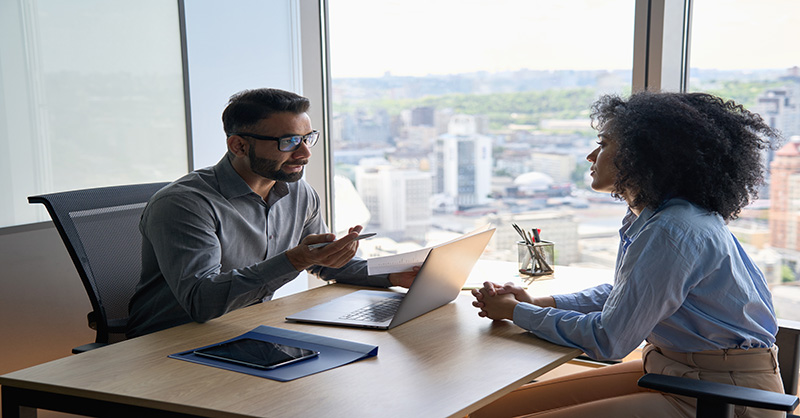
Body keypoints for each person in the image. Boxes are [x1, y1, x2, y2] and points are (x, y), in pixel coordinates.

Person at [471, 91, 785, 418]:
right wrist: (538, 304)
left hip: (720, 394)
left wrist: (515, 313)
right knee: (489, 411)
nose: (591, 157)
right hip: (677, 370)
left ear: (644, 154)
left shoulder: (671, 229)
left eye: (603, 144)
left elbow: (611, 339)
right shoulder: (654, 217)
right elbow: (629, 296)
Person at [127, 88, 417, 338]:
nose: (305, 153)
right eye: (289, 142)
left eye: (308, 138)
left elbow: (326, 264)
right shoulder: (184, 204)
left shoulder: (299, 193)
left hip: (245, 328)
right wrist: (295, 260)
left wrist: (395, 275)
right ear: (239, 145)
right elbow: (202, 303)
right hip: (170, 342)